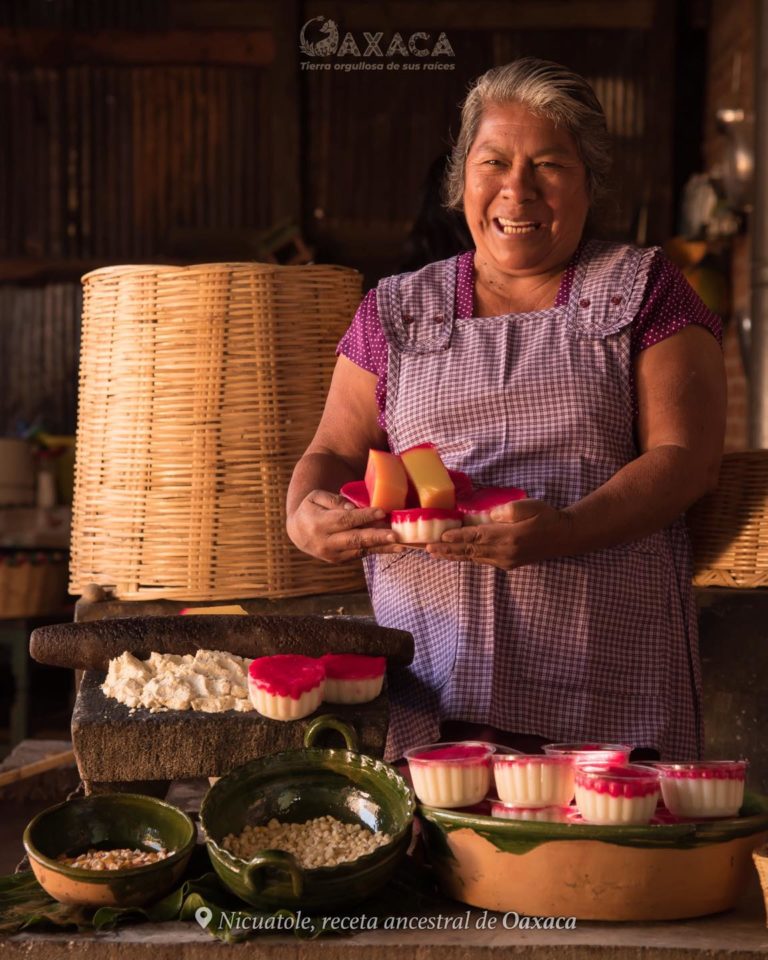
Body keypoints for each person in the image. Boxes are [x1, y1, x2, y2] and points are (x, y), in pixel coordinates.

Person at [286, 58, 726, 762]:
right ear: (462, 177)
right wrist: (304, 511)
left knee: (599, 860)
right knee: (442, 865)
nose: (516, 190)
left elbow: (686, 460)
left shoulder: (645, 289)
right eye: (493, 162)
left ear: (589, 183)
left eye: (549, 165)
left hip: (602, 670)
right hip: (433, 673)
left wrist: (565, 530)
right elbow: (335, 451)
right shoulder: (395, 310)